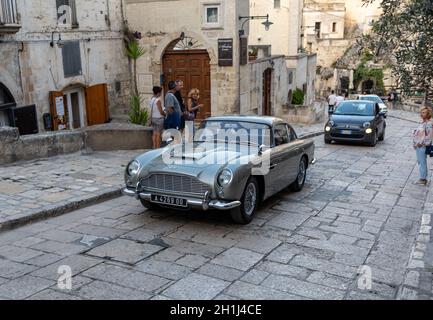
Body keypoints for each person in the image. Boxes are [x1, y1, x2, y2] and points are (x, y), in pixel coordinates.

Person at [412, 106, 433, 185]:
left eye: (424, 112)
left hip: (422, 146)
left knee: (422, 162)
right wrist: (415, 143)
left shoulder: (429, 124)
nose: (422, 114)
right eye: (421, 112)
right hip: (418, 146)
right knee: (420, 162)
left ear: (428, 114)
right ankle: (423, 178)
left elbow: (429, 137)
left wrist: (421, 143)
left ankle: (423, 179)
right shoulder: (423, 122)